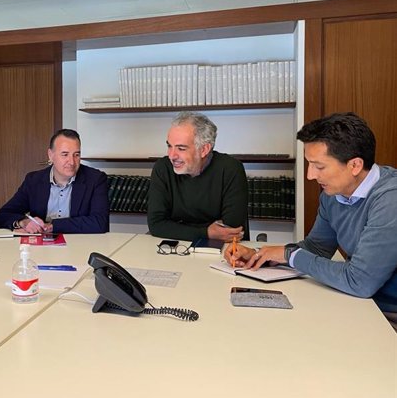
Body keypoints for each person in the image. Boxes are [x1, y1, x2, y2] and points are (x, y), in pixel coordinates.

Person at [227, 112, 397, 325]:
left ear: (354, 165)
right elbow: (316, 248)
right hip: (363, 306)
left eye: (319, 166)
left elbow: (359, 281)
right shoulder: (333, 194)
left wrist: (290, 255)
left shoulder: (390, 199)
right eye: (309, 164)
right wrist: (261, 256)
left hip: (386, 315)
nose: (310, 175)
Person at [147, 112, 249, 241]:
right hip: (174, 247)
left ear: (204, 150)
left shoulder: (231, 169)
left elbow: (230, 230)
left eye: (181, 148)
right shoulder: (162, 168)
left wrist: (177, 228)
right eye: (169, 146)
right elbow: (156, 225)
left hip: (222, 251)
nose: (172, 156)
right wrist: (206, 232)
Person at [0, 129, 109, 234]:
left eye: (76, 155)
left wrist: (53, 226)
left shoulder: (96, 179)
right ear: (51, 155)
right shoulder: (34, 180)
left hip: (79, 246)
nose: (72, 162)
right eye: (65, 154)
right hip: (40, 248)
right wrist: (24, 222)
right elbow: (1, 216)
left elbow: (99, 222)